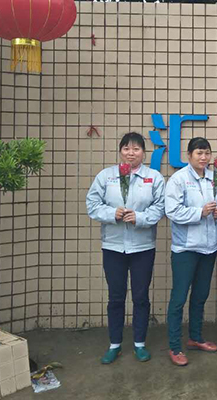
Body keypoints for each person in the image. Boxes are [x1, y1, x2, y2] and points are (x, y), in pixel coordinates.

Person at [86, 132, 165, 364]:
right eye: (127, 148)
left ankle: (139, 343)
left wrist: (139, 217)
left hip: (142, 247)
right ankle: (115, 344)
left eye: (136, 149)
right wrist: (113, 213)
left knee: (140, 296)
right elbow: (92, 204)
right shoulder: (106, 176)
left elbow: (160, 207)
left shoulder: (154, 177)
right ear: (120, 151)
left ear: (144, 153)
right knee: (116, 296)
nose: (131, 153)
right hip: (113, 246)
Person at [165, 137, 217, 366]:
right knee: (179, 298)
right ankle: (174, 346)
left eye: (207, 153)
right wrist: (200, 212)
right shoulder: (178, 179)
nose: (203, 157)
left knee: (200, 296)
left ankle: (195, 338)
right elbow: (172, 211)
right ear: (189, 155)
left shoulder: (214, 178)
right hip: (186, 248)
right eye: (199, 153)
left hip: (209, 247)